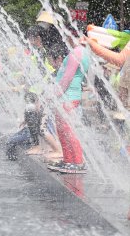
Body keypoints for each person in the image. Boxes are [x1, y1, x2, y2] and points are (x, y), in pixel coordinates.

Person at [46, 42, 89, 174]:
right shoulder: (80, 51)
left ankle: (77, 162)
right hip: (66, 97)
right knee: (62, 130)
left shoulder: (77, 52)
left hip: (68, 97)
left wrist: (54, 95)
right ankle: (68, 160)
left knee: (67, 129)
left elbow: (67, 77)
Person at [6, 93, 44, 160]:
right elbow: (29, 120)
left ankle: (12, 158)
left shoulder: (34, 108)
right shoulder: (31, 108)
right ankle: (12, 156)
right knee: (11, 139)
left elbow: (34, 127)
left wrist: (36, 143)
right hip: (27, 130)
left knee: (10, 141)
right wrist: (24, 121)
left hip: (30, 133)